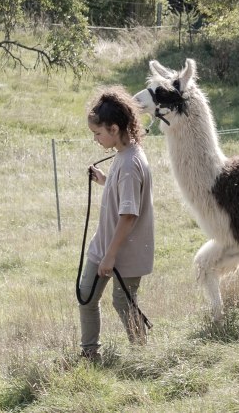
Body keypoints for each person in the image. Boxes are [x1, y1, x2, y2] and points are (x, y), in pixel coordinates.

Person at [78, 86, 155, 360]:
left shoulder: (130, 164)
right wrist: (104, 180)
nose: (96, 139)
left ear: (114, 128)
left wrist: (110, 256)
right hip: (104, 245)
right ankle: (90, 354)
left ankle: (141, 355)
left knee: (123, 302)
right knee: (86, 296)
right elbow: (123, 195)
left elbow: (129, 215)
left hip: (122, 251)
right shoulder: (124, 155)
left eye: (98, 133)